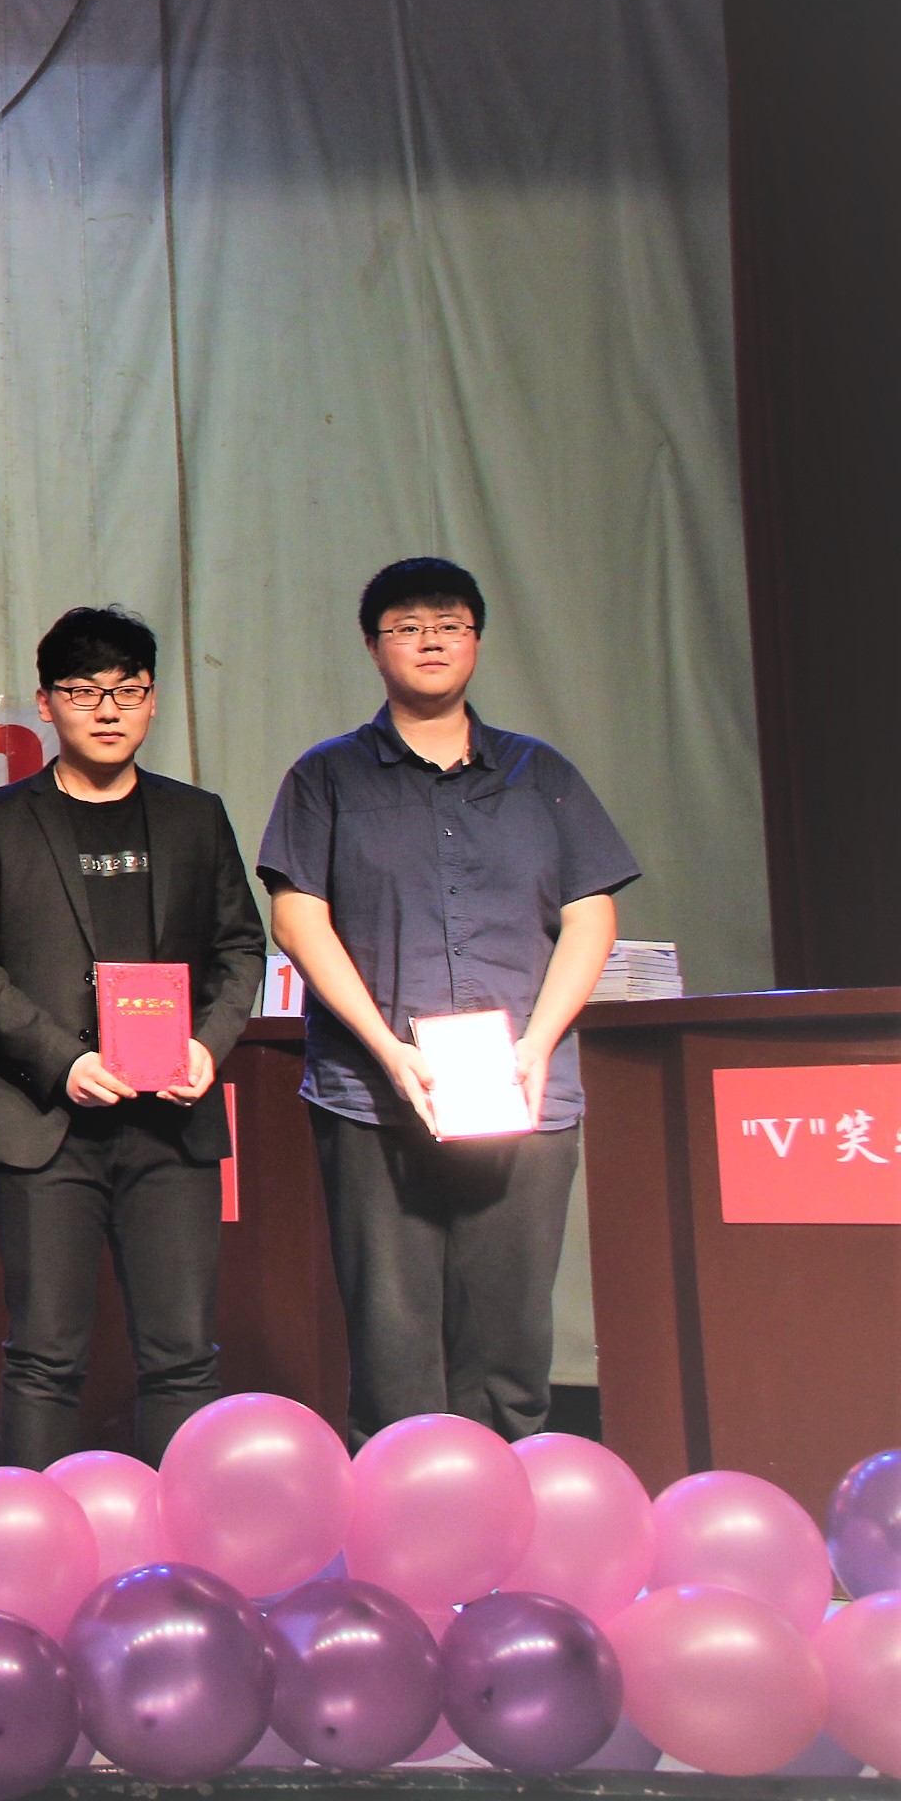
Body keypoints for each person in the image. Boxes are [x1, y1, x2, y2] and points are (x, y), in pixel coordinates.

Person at [258, 557, 636, 1441]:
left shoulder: (541, 773)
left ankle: (507, 1500)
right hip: (371, 1094)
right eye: (407, 627)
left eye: (450, 625)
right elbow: (297, 917)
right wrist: (389, 1051)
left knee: (510, 1338)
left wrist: (537, 1044)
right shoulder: (327, 777)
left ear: (477, 641)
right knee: (392, 1344)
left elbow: (591, 914)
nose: (430, 641)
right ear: (372, 646)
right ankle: (402, 1501)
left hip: (523, 1091)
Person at [0, 606, 266, 1465]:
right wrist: (65, 1061)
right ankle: (37, 1536)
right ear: (46, 703)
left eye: (128, 690)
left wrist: (207, 1044)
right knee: (44, 1357)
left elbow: (241, 947)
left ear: (152, 701)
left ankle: (180, 1533)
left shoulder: (197, 817)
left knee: (184, 1356)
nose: (108, 709)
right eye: (84, 691)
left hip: (172, 1124)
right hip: (46, 1126)